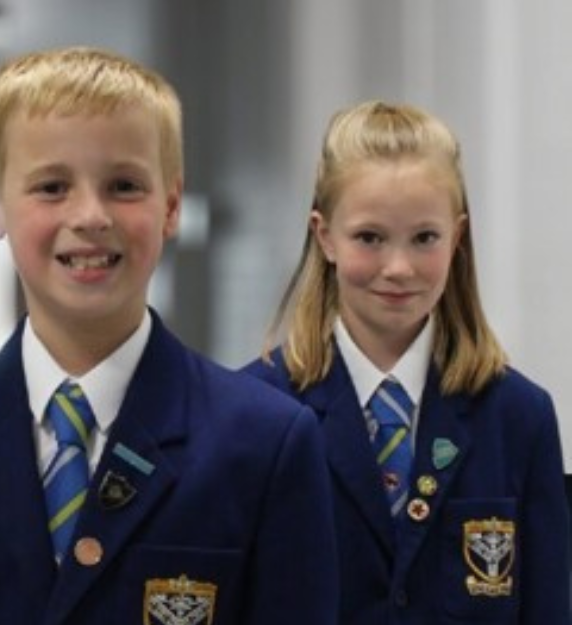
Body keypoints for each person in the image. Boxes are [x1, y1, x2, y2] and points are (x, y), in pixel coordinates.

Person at [0, 46, 338, 624]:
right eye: (52, 187)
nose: (90, 216)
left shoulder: (265, 443)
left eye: (124, 186)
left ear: (171, 206)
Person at [242, 100, 571, 624]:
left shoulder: (519, 417)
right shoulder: (253, 412)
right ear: (324, 236)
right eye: (369, 238)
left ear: (457, 237)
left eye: (425, 238)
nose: (398, 268)